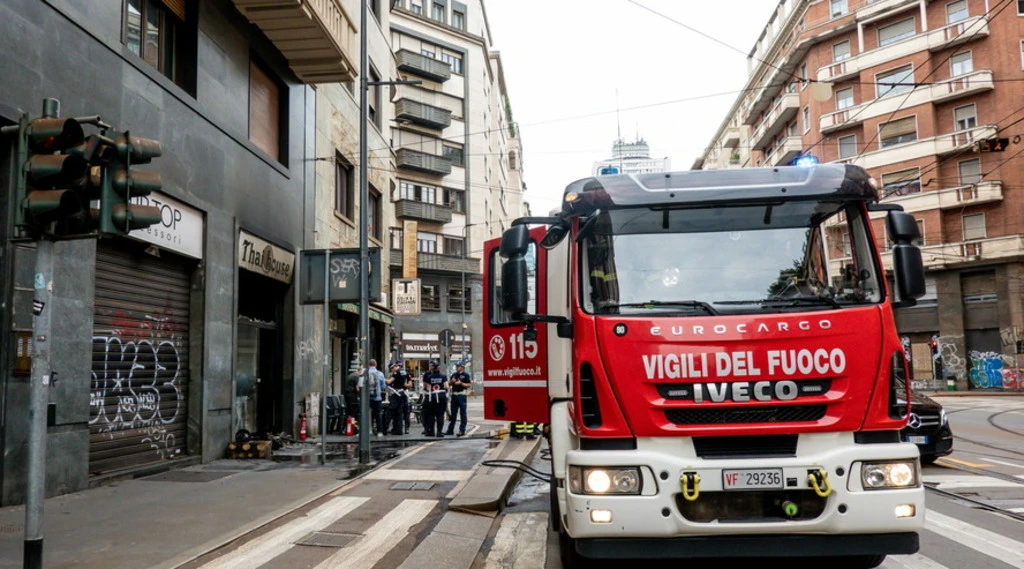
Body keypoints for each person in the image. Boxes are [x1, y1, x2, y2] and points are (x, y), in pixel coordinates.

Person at [357, 359, 387, 436]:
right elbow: (383, 386)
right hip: (377, 398)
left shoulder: (364, 373)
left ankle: (363, 431)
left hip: (366, 398)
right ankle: (379, 432)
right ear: (376, 365)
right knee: (378, 414)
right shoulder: (380, 374)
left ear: (368, 365)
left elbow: (359, 386)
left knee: (364, 414)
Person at [421, 361, 448, 437]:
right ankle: (439, 432)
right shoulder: (443, 376)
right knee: (440, 415)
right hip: (441, 397)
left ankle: (431, 432)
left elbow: (428, 388)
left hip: (431, 398)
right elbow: (446, 386)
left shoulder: (429, 377)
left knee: (431, 415)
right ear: (438, 368)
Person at [445, 362, 471, 436]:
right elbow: (448, 384)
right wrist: (451, 381)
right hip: (454, 395)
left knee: (463, 413)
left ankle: (462, 430)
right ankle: (450, 430)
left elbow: (468, 385)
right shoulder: (454, 375)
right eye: (456, 366)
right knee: (453, 414)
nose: (456, 367)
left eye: (458, 366)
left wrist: (461, 383)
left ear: (462, 367)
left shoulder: (465, 375)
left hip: (461, 395)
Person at [387, 361, 412, 435]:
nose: (392, 371)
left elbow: (389, 382)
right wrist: (405, 384)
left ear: (393, 367)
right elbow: (410, 384)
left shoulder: (396, 373)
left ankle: (398, 429)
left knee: (399, 412)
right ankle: (407, 428)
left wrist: (382, 379)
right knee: (406, 412)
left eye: (391, 369)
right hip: (405, 393)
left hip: (399, 394)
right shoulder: (406, 373)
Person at [343, 366, 363, 431]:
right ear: (360, 372)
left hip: (347, 396)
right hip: (353, 397)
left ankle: (347, 428)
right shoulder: (357, 377)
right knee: (355, 413)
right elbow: (357, 388)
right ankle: (355, 428)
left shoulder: (350, 375)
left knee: (349, 413)